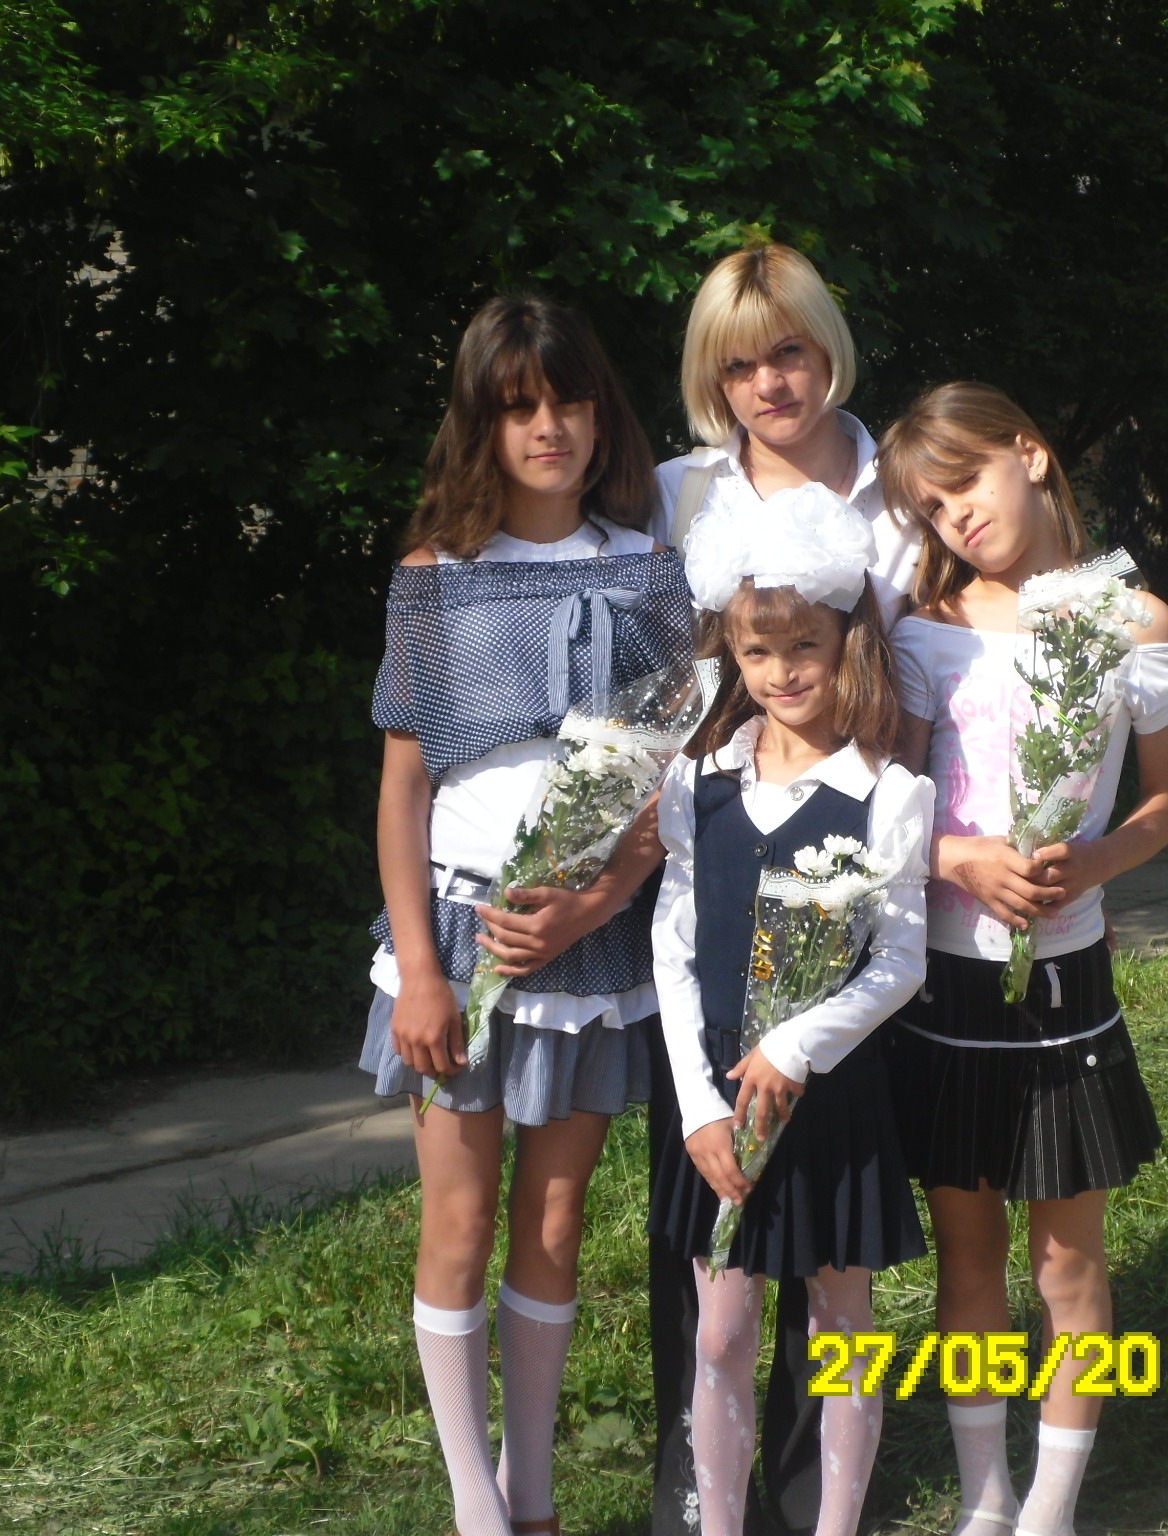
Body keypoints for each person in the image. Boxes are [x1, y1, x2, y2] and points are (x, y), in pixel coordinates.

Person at [360, 294, 694, 1536]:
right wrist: (419, 968)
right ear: (482, 426)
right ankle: (475, 1511)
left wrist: (592, 903)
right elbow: (402, 792)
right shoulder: (433, 580)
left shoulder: (648, 570)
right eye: (518, 407)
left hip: (592, 945)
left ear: (601, 415)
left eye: (568, 400)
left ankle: (534, 1495)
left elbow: (671, 783)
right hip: (454, 942)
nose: (548, 426)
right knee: (458, 1223)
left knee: (554, 1223)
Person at [876, 383, 1168, 1536]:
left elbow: (1163, 805)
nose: (954, 517)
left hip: (1064, 979)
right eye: (929, 508)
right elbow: (888, 810)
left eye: (963, 483)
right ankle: (984, 1500)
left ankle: (1049, 1512)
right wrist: (958, 858)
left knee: (1065, 1264)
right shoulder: (926, 630)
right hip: (947, 982)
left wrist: (1094, 861)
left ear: (1029, 453)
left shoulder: (1135, 624)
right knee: (967, 1263)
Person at [648, 241, 921, 1536]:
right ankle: (704, 1500)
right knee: (713, 1279)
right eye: (738, 363)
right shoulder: (681, 492)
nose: (768, 381)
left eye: (790, 352)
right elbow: (672, 678)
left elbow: (923, 658)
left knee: (830, 1270)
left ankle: (826, 1500)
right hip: (719, 838)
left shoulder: (893, 488)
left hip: (857, 841)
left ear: (829, 350)